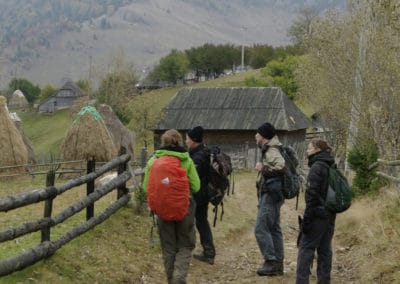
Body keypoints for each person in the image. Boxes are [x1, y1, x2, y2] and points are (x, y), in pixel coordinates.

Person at [143, 129, 200, 284]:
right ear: (179, 141)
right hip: (184, 208)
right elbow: (196, 186)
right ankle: (179, 279)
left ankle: (171, 281)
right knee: (185, 245)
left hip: (162, 209)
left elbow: (145, 187)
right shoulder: (186, 160)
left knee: (169, 248)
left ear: (163, 141)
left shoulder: (153, 160)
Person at [296, 139, 336, 284]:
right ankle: (324, 281)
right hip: (330, 214)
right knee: (325, 251)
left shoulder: (317, 167)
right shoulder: (331, 165)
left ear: (317, 150)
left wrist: (306, 221)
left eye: (309, 148)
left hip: (317, 215)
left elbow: (312, 196)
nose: (307, 151)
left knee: (305, 249)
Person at [254, 122, 286, 276]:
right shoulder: (272, 148)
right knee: (274, 229)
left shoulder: (272, 150)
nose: (255, 136)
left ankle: (271, 262)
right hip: (274, 194)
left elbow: (281, 167)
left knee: (260, 228)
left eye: (258, 134)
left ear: (264, 137)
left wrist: (263, 169)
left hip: (270, 195)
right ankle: (278, 264)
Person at [185, 126, 216, 265]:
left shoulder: (199, 156)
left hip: (199, 195)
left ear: (194, 140)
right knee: (201, 222)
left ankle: (206, 252)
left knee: (196, 222)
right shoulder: (202, 152)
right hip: (202, 194)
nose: (185, 141)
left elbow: (192, 177)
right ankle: (208, 252)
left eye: (187, 138)